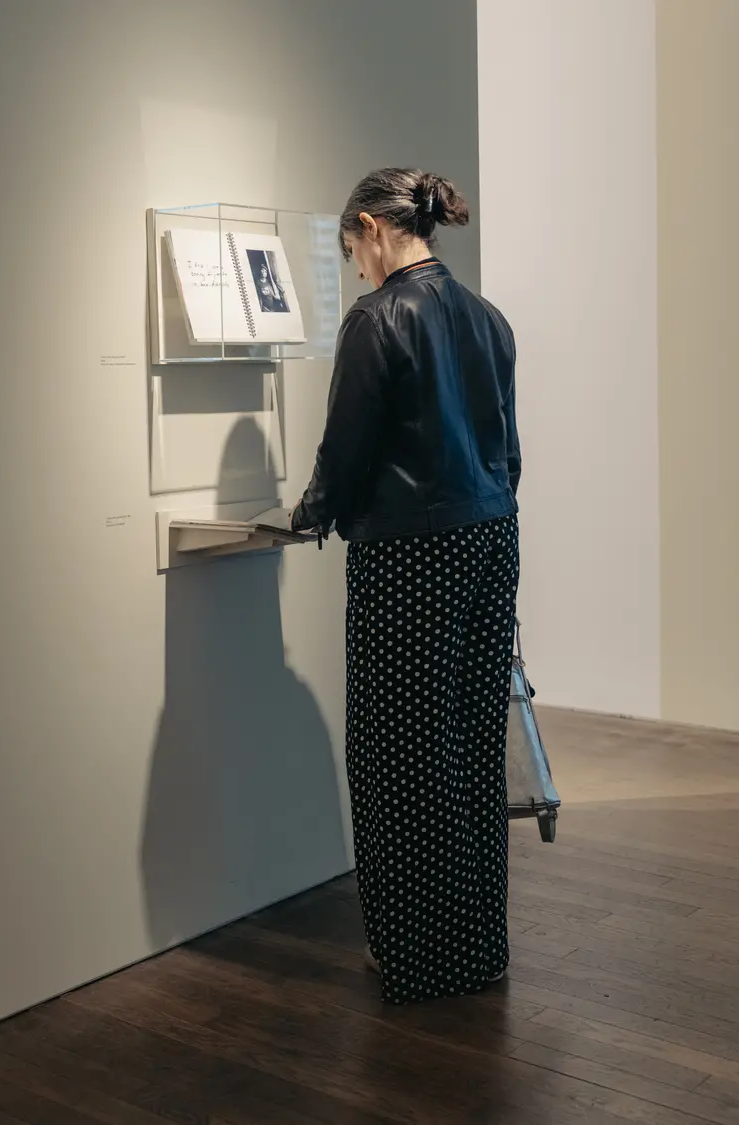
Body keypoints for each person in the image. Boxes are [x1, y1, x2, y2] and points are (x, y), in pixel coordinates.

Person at [290, 168, 521, 1004]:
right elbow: (509, 451)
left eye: (354, 249)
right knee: (468, 744)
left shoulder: (379, 317)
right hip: (493, 536)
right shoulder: (488, 318)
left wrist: (312, 512)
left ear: (373, 229)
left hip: (410, 553)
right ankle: (479, 945)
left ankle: (418, 955)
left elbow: (345, 448)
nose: (355, 267)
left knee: (399, 751)